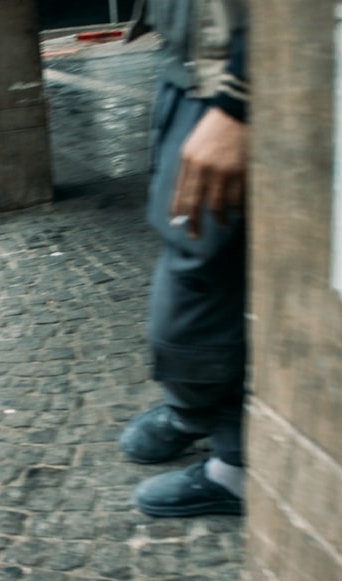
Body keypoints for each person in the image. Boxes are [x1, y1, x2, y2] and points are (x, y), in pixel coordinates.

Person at [119, 0, 250, 518]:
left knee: (201, 275)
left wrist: (241, 97)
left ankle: (236, 467)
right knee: (194, 258)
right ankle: (200, 413)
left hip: (225, 79)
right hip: (188, 63)